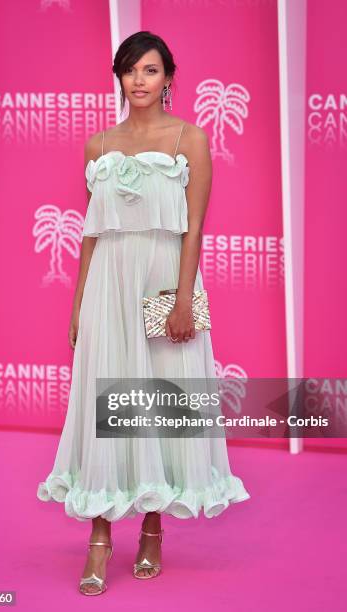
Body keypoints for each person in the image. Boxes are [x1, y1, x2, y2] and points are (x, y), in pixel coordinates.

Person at [37, 30, 250, 596]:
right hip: (109, 284)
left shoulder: (190, 139)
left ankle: (153, 529)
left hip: (163, 280)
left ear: (168, 79)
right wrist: (79, 303)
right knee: (108, 405)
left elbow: (195, 227)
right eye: (130, 70)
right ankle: (100, 539)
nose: (139, 80)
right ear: (120, 77)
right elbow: (89, 233)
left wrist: (183, 299)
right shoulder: (98, 147)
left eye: (150, 70)